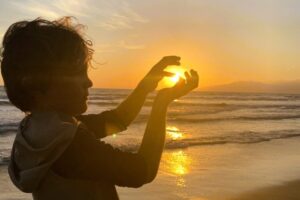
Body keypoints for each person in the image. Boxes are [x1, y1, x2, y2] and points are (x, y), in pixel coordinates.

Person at [0, 17, 199, 200]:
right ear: (35, 84)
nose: (89, 82)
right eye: (78, 73)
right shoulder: (69, 144)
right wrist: (161, 103)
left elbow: (117, 120)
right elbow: (142, 170)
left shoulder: (38, 132)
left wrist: (145, 86)